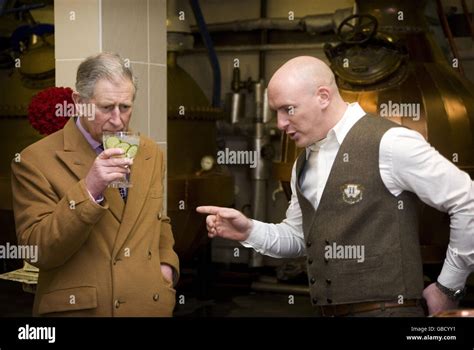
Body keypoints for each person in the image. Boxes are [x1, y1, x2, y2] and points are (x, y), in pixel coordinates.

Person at [197, 56, 474, 317]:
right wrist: (249, 230)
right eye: (276, 112)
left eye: (288, 109)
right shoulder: (303, 162)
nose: (280, 123)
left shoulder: (391, 143)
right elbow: (298, 238)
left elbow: (467, 200)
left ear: (323, 97)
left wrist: (449, 287)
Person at [11, 52, 179, 316]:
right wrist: (89, 190)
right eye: (106, 107)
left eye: (125, 107)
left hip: (148, 306)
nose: (117, 120)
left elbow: (158, 219)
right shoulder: (34, 160)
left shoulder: (149, 152)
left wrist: (167, 266)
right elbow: (38, 250)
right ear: (78, 102)